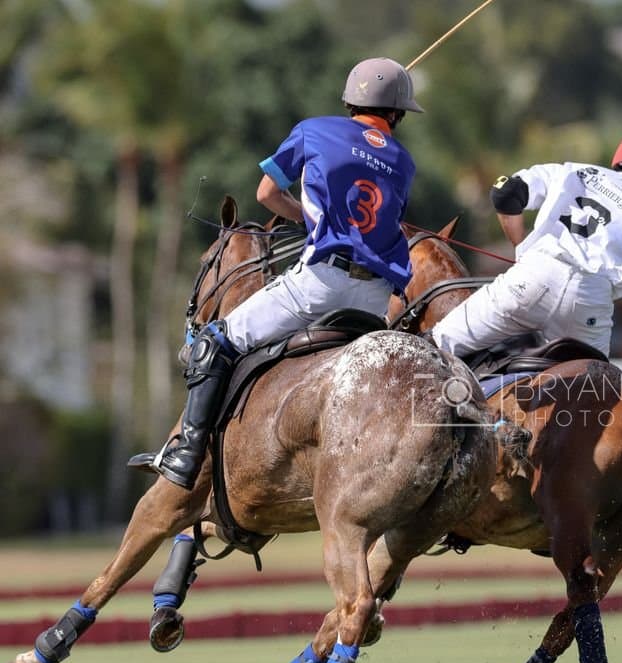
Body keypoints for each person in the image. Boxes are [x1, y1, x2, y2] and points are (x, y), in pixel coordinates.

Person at [139, 57, 424, 490]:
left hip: (322, 283)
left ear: (350, 100)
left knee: (214, 342)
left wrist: (307, 221)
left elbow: (268, 191)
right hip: (374, 298)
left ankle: (186, 455)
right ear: (398, 113)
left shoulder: (314, 130)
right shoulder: (404, 162)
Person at [430, 131, 622, 414]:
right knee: (592, 410)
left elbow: (505, 192)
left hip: (532, 277)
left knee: (434, 348)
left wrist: (521, 250)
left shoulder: (573, 171)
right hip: (588, 303)